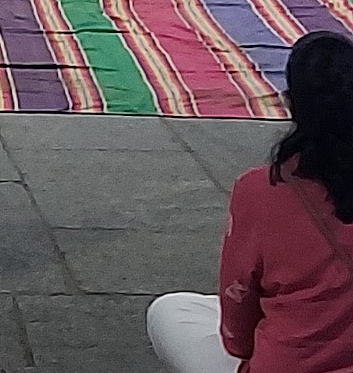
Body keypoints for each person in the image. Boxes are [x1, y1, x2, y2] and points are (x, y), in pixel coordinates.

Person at [147, 29, 353, 373]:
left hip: (285, 364)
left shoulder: (260, 190)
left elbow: (238, 335)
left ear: (290, 104)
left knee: (171, 310)